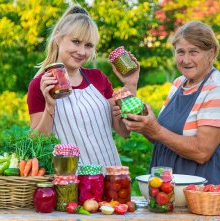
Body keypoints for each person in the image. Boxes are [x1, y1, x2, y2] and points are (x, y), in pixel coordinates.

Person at [123, 21, 220, 188]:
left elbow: (202, 152)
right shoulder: (179, 84)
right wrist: (144, 124)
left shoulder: (217, 90)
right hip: (168, 184)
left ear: (211, 53)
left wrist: (156, 130)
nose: (185, 60)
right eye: (180, 52)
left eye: (194, 52)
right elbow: (163, 138)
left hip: (203, 185)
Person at [27, 4, 139, 167]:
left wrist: (130, 84)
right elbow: (36, 143)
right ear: (58, 38)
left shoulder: (98, 78)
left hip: (109, 174)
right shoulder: (41, 84)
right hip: (70, 180)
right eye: (76, 42)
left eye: (88, 45)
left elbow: (124, 131)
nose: (81, 52)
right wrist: (50, 106)